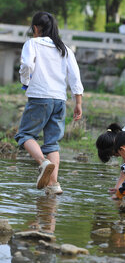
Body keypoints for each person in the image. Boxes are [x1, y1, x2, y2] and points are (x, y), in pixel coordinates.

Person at [15, 11, 84, 195]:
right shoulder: (65, 49)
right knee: (52, 143)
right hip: (59, 100)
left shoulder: (32, 43)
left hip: (40, 97)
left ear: (36, 28)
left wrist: (25, 81)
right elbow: (75, 76)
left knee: (25, 135)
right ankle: (54, 186)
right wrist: (78, 102)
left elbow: (28, 64)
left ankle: (43, 162)